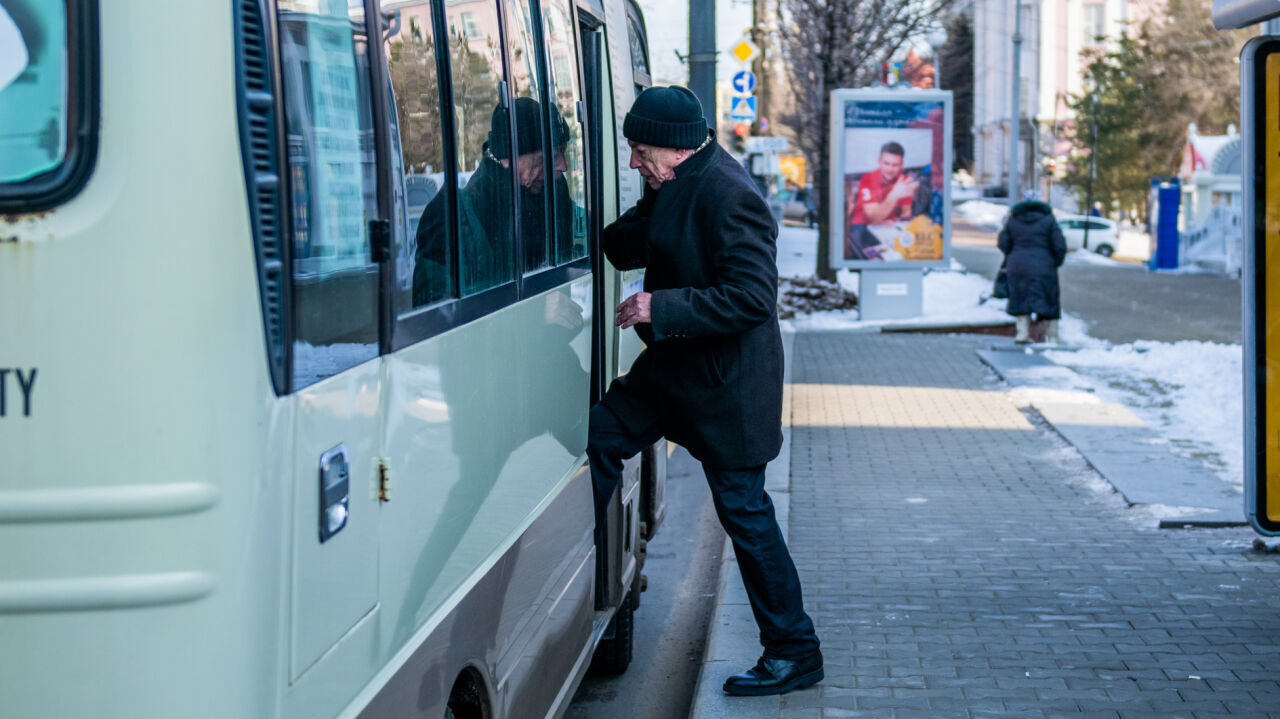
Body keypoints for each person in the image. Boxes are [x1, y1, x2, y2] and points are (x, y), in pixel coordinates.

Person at [588, 85, 823, 696]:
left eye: (640, 152)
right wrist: (565, 219)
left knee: (745, 514)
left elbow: (751, 298)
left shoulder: (729, 194)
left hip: (726, 388)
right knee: (599, 436)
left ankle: (794, 651)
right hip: (674, 376)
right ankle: (587, 575)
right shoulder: (675, 179)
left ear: (671, 148)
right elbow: (633, 239)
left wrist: (655, 305)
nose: (635, 163)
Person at [412, 97, 572, 304]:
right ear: (515, 155)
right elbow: (435, 313)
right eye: (552, 157)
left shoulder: (551, 191)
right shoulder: (453, 216)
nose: (563, 167)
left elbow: (579, 236)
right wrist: (536, 309)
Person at [998, 191, 1067, 343]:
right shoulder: (1048, 219)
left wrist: (1014, 256)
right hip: (1044, 265)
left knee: (1020, 297)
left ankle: (1022, 333)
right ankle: (1053, 336)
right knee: (1049, 299)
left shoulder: (1013, 219)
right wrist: (1055, 262)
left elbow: (1003, 243)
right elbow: (1059, 245)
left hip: (1018, 265)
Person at [845, 141, 918, 260]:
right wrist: (894, 195)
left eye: (895, 165)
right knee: (875, 257)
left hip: (888, 228)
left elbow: (906, 213)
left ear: (902, 165)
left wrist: (894, 220)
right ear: (879, 162)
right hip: (862, 226)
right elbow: (873, 218)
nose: (890, 169)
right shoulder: (868, 179)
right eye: (886, 163)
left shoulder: (903, 180)